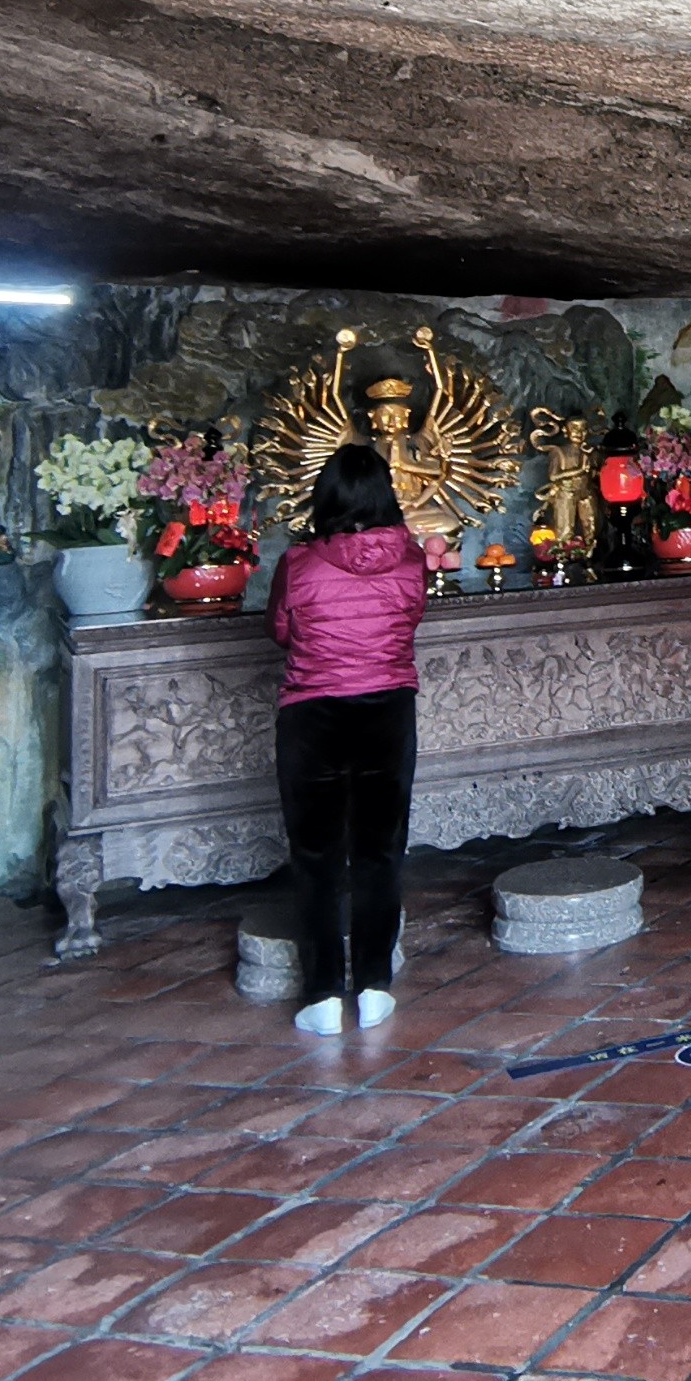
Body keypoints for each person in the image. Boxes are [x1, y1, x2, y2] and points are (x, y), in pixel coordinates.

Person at [264, 442, 429, 1035]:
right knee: (381, 853)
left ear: (326, 496)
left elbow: (281, 630)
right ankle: (376, 986)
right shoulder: (412, 560)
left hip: (313, 716)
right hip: (388, 712)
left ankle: (323, 997)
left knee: (318, 858)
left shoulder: (298, 563)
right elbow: (411, 620)